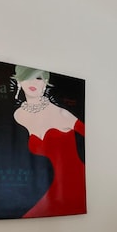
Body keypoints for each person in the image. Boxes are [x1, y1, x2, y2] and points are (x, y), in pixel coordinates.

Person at [12, 65, 86, 218]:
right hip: (47, 187)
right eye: (27, 77)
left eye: (38, 78)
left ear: (45, 83)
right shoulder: (18, 115)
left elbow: (92, 138)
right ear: (19, 82)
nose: (33, 82)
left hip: (74, 184)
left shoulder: (61, 114)